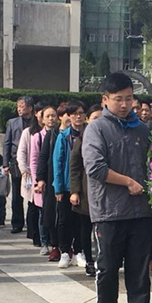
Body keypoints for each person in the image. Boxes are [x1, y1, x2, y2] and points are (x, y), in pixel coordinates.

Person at [82, 72, 152, 303]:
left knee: (139, 271)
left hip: (140, 212)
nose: (124, 105)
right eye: (118, 100)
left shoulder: (143, 130)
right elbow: (95, 168)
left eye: (129, 99)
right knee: (108, 267)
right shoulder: (97, 128)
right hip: (109, 212)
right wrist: (128, 182)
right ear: (105, 99)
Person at [53, 100, 87, 269]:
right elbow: (57, 163)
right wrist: (58, 187)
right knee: (64, 220)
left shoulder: (90, 133)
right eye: (74, 113)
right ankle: (65, 252)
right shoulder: (63, 136)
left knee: (81, 221)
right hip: (66, 186)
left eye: (80, 113)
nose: (77, 116)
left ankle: (79, 251)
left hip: (84, 186)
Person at [69, 104, 102, 277]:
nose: (99, 121)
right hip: (86, 190)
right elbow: (74, 167)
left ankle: (104, 260)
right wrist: (74, 191)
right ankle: (89, 260)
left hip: (106, 192)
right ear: (88, 120)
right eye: (95, 118)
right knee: (85, 227)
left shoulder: (108, 136)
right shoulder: (82, 139)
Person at [36, 103, 70, 262]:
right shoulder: (52, 135)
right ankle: (55, 245)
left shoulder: (79, 134)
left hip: (71, 180)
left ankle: (71, 247)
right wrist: (41, 179)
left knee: (70, 216)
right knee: (53, 214)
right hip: (52, 180)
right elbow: (43, 158)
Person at [4, 96, 35, 234]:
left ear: (30, 107)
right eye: (18, 106)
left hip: (32, 162)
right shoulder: (12, 122)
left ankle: (31, 222)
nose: (20, 109)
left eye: (22, 106)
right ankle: (17, 222)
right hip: (16, 162)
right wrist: (5, 163)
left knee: (30, 192)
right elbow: (7, 143)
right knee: (16, 194)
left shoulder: (36, 121)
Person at [30, 105, 58, 255]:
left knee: (53, 212)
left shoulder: (59, 133)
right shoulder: (38, 136)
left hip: (55, 179)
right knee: (43, 213)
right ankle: (44, 242)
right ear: (42, 119)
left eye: (53, 115)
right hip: (43, 180)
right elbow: (35, 160)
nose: (51, 119)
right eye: (47, 116)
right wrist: (38, 180)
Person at [17, 108, 43, 246]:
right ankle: (34, 234)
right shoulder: (28, 132)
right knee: (32, 203)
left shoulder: (50, 131)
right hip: (29, 173)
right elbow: (21, 152)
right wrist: (24, 170)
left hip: (44, 174)